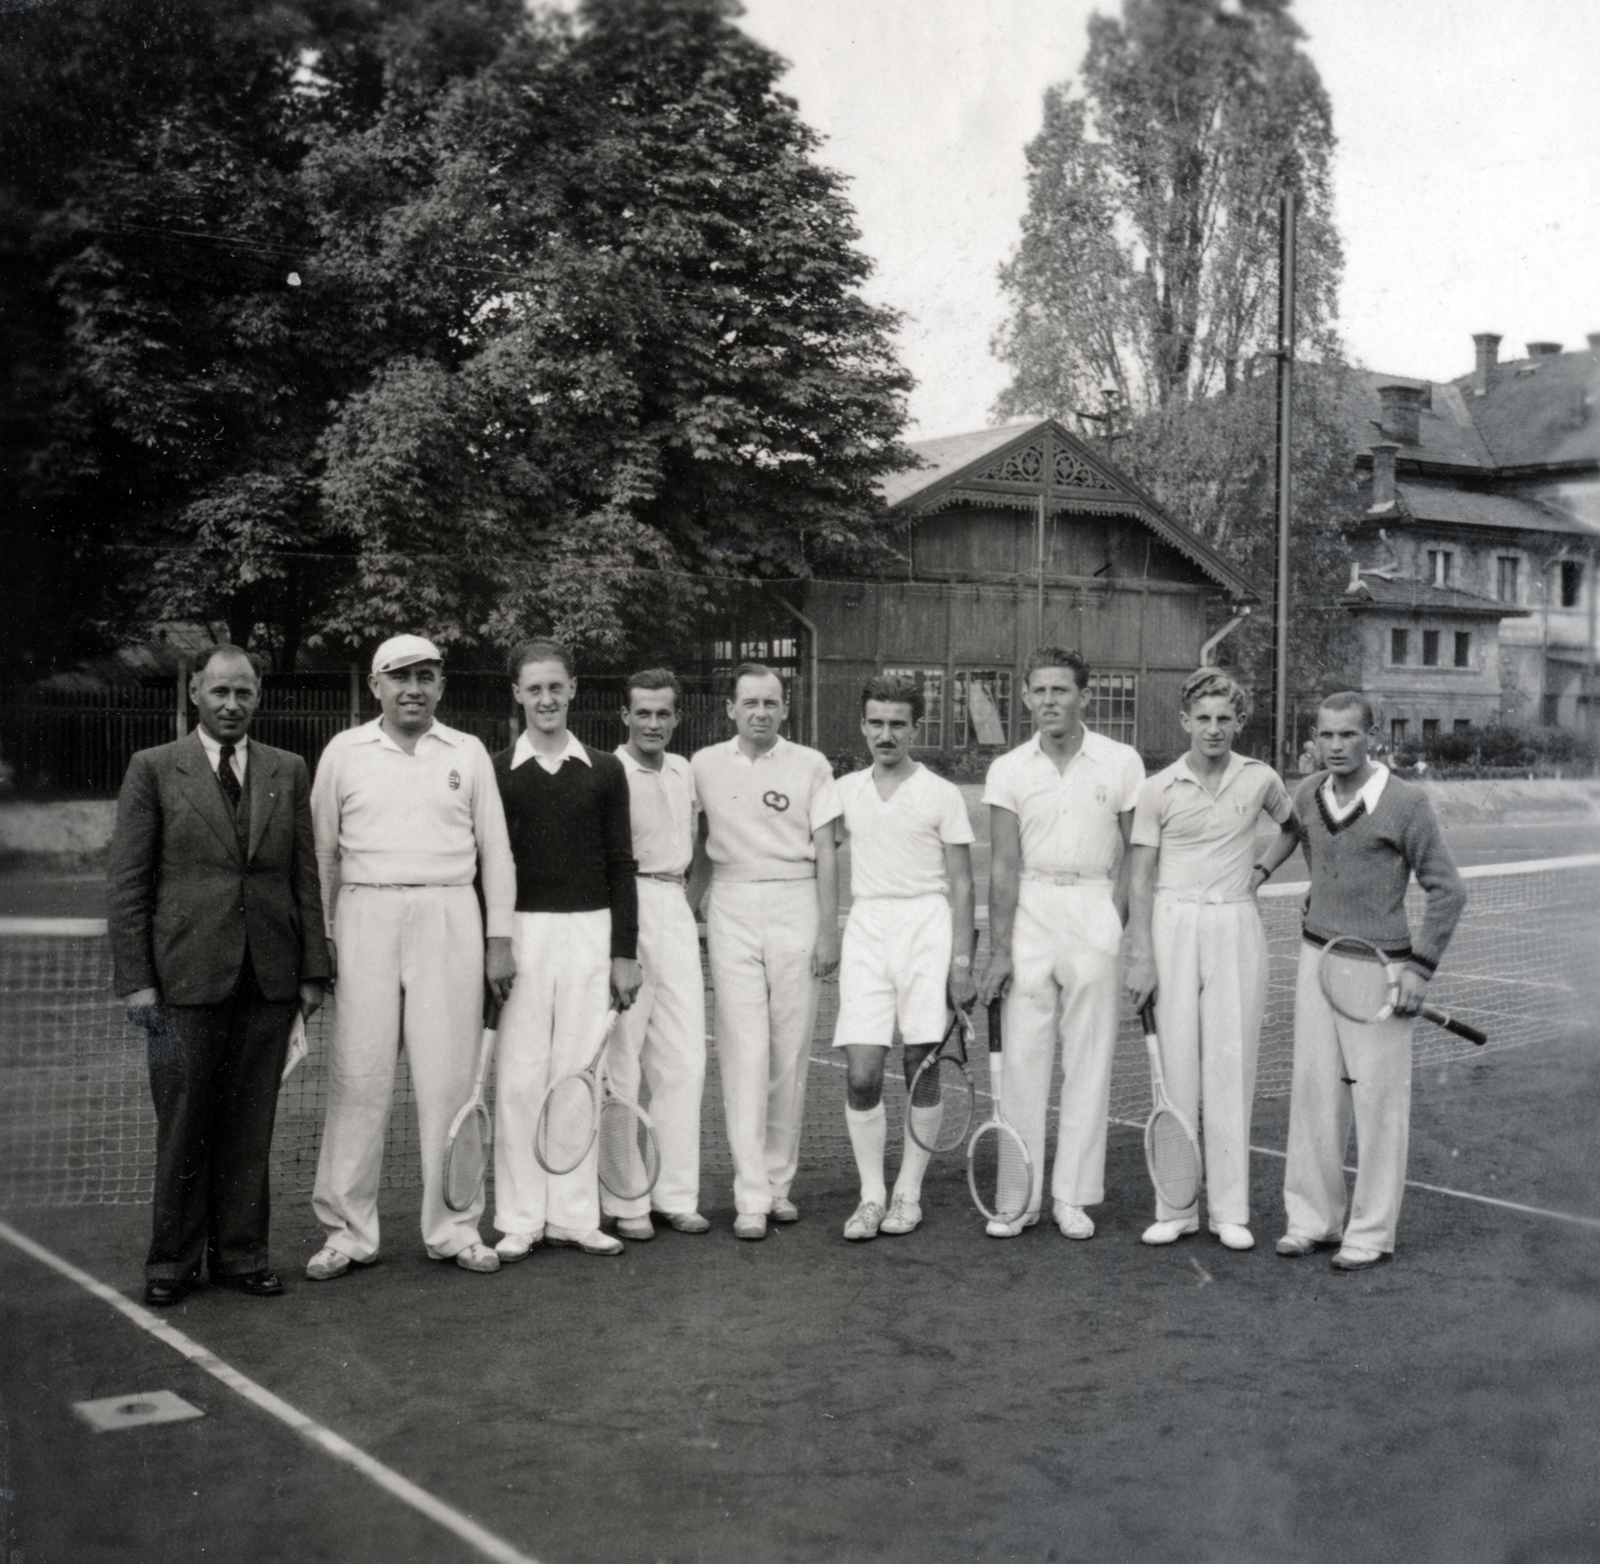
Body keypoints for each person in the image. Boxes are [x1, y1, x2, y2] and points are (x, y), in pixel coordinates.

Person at [107, 644, 329, 1306]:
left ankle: (241, 1255)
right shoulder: (152, 768)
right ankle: (172, 1263)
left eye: (244, 692)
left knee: (250, 1125)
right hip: (183, 979)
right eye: (220, 691)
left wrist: (312, 972)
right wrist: (138, 981)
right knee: (184, 1124)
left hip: (268, 978)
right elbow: (128, 884)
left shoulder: (288, 769)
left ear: (259, 696)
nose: (232, 704)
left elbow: (305, 877)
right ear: (195, 693)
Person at [306, 635, 516, 1279]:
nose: (413, 689)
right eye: (399, 678)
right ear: (376, 686)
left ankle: (455, 1228)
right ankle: (348, 1232)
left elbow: (496, 851)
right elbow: (321, 854)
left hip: (449, 915)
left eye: (426, 676)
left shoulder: (468, 752)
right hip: (364, 918)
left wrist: (499, 939)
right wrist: (323, 935)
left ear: (441, 685)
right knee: (358, 1078)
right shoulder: (344, 752)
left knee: (450, 1083)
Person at [1256, 691, 1466, 1271]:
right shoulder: (1307, 793)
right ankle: (1312, 1220)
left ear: (1372, 737)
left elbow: (1448, 889)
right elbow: (1313, 849)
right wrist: (1309, 892)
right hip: (1315, 960)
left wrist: (1419, 968)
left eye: (1348, 734)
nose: (1336, 745)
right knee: (1315, 1094)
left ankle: (1370, 1233)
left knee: (1377, 1106)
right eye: (1326, 734)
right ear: (1314, 739)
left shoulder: (1406, 802)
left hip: (1381, 970)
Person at [977, 647, 1144, 1240]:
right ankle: (1017, 1198)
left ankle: (1072, 1196)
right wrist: (1000, 950)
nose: (1050, 701)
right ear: (1026, 697)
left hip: (1094, 905)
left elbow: (1138, 853)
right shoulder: (1008, 769)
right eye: (1040, 691)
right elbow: (1002, 865)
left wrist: (1113, 921)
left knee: (1088, 1062)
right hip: (1031, 908)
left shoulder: (1121, 761)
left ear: (1084, 696)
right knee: (1023, 1061)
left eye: (1061, 690)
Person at [1124, 668, 1293, 1253]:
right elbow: (1139, 878)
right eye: (1203, 718)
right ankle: (1176, 1208)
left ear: (1239, 722)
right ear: (1185, 722)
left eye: (1224, 718)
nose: (1214, 728)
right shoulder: (1158, 788)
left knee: (1231, 1068)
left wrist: (1261, 871)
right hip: (1172, 925)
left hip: (1235, 924)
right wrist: (1140, 956)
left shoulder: (1261, 777)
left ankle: (1229, 1211)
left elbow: (1293, 829)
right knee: (1174, 1073)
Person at [490, 640, 641, 1260]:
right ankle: (521, 1217)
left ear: (573, 689)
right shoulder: (496, 770)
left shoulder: (604, 769)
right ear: (517, 695)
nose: (546, 699)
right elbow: (488, 865)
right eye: (535, 689)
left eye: (556, 687)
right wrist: (495, 943)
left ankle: (574, 1216)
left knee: (579, 1074)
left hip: (590, 932)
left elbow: (621, 863)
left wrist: (623, 952)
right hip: (523, 931)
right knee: (521, 1076)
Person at [691, 662, 842, 1240]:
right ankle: (750, 1194)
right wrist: (688, 907)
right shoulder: (703, 765)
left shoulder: (812, 764)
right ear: (730, 708)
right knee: (744, 1052)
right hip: (731, 906)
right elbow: (700, 845)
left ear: (785, 709)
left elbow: (826, 851)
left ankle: (778, 1185)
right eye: (750, 703)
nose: (760, 713)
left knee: (790, 1051)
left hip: (796, 905)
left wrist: (827, 930)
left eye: (771, 703)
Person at [832, 674, 976, 1241]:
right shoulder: (844, 790)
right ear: (863, 726)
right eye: (876, 723)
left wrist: (960, 966)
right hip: (867, 927)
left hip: (927, 928)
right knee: (863, 1072)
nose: (885, 734)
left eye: (897, 724)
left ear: (916, 729)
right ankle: (871, 1195)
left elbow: (963, 886)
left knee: (922, 1064)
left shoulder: (941, 793)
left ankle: (907, 1194)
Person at [602, 669, 711, 1240]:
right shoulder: (606, 770)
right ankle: (627, 1200)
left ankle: (675, 1195)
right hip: (624, 912)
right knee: (621, 1062)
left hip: (674, 908)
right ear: (625, 716)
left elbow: (704, 842)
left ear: (677, 718)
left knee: (684, 1060)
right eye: (641, 712)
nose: (652, 723)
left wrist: (687, 903)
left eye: (662, 713)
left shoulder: (684, 769)